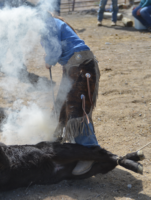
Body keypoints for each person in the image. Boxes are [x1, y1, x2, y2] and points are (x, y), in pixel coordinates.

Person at [40, 14, 100, 175]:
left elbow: (55, 50)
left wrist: (49, 60)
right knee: (62, 106)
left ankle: (89, 153)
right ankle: (61, 146)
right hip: (75, 68)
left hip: (81, 68)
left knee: (77, 113)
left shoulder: (47, 24)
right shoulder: (51, 23)